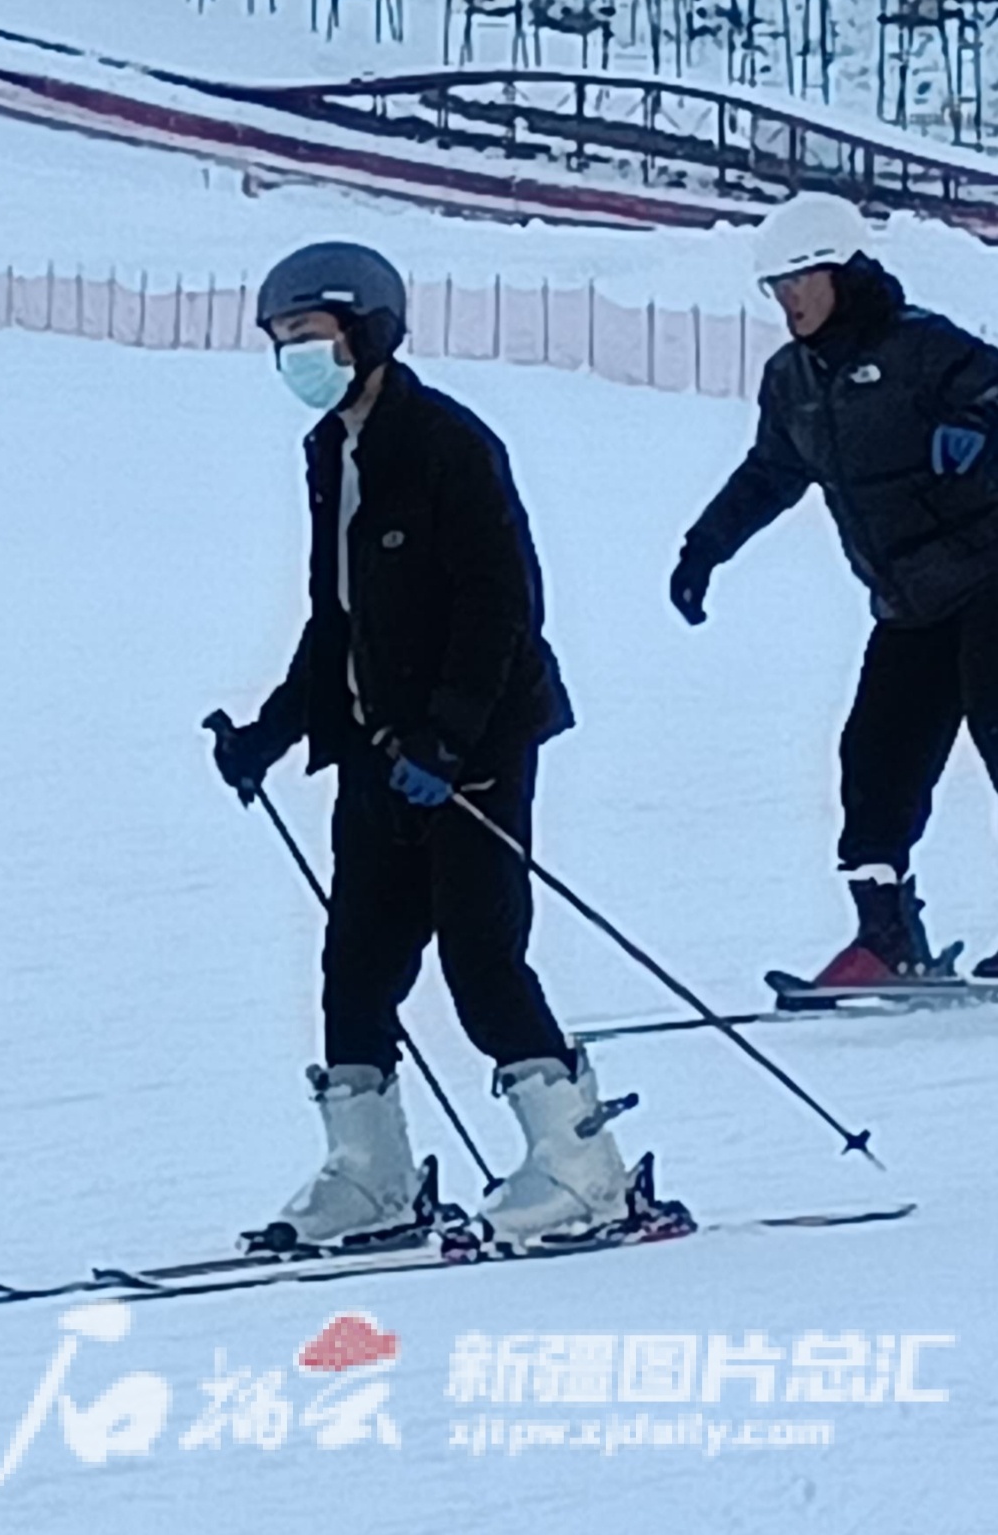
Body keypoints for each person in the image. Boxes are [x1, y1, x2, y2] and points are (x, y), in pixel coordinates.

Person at [209, 242, 643, 1247]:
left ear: (367, 334)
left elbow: (500, 603)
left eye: (308, 339)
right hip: (375, 751)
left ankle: (584, 1171)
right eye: (280, 345)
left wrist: (445, 735)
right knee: (353, 964)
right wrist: (267, 737)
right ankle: (371, 1176)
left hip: (471, 747)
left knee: (480, 959)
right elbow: (338, 621)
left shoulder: (446, 443)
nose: (294, 361)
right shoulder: (333, 449)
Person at [672, 191, 998, 986]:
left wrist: (981, 423)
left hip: (989, 572)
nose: (788, 302)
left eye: (799, 283)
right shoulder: (793, 380)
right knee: (874, 759)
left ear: (842, 274)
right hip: (907, 599)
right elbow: (770, 473)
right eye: (775, 289)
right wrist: (705, 546)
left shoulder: (923, 346)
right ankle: (885, 938)